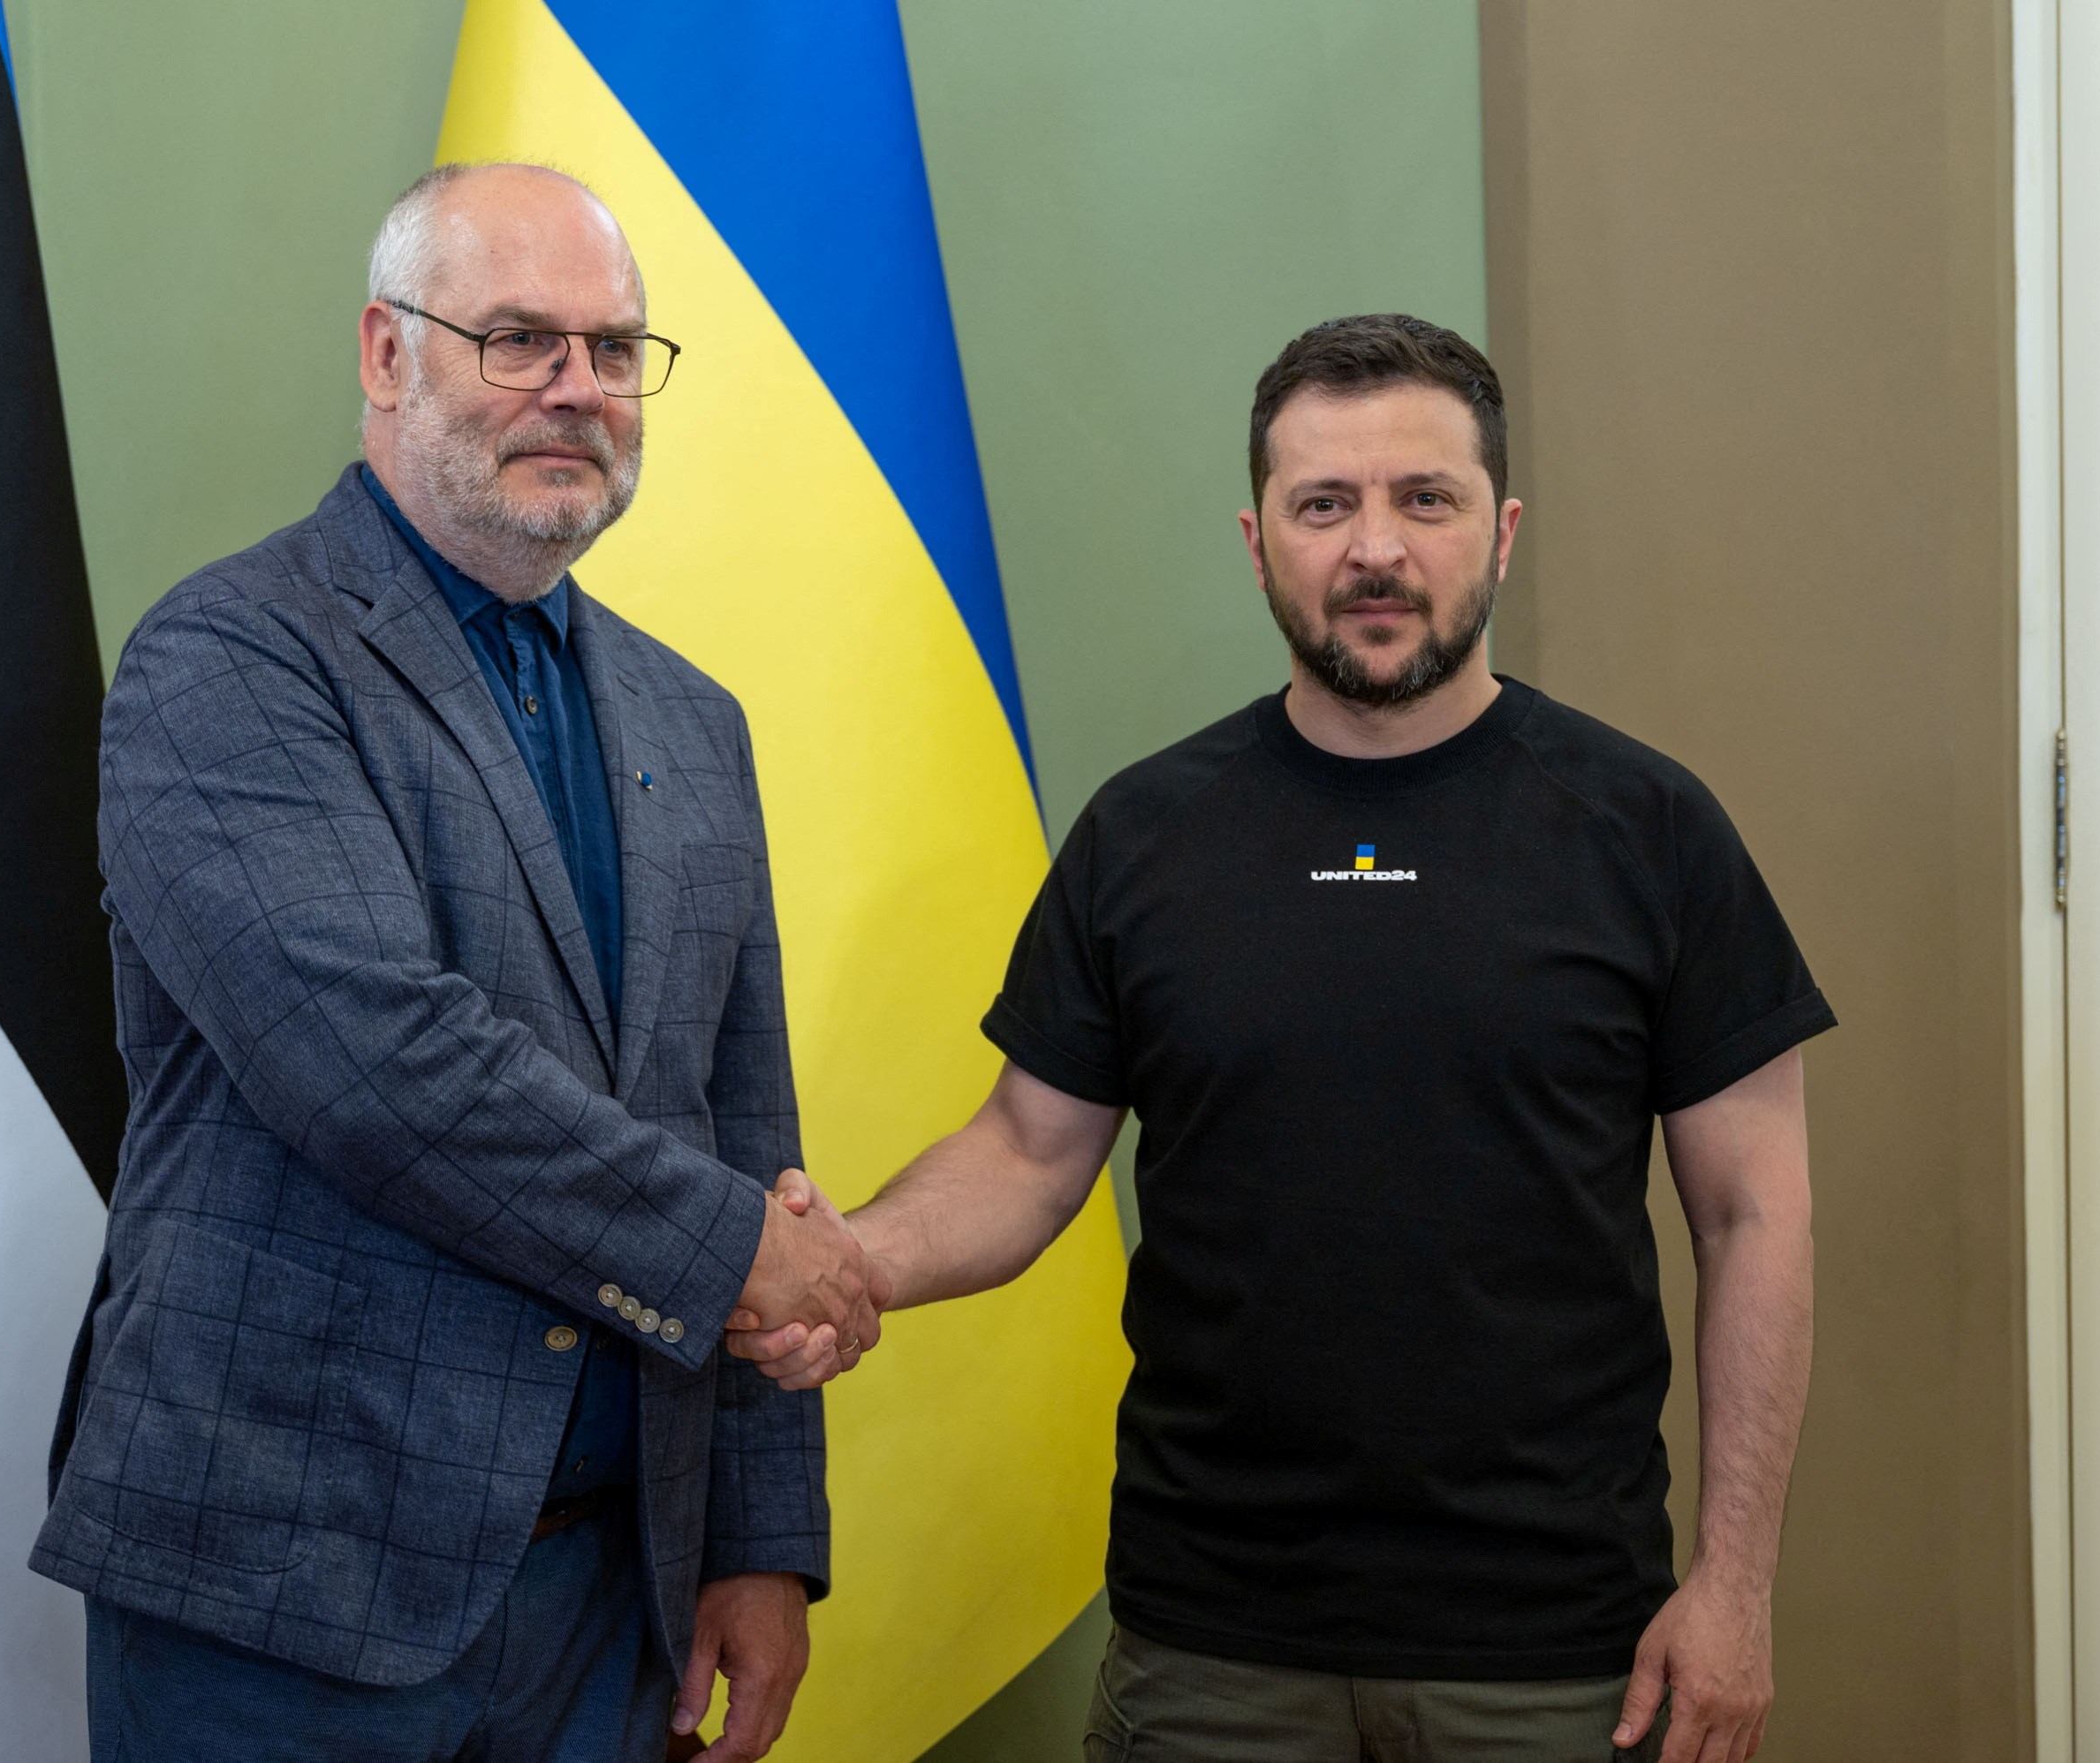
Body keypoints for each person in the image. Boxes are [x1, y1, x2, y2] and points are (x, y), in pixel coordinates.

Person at [735, 314, 1830, 1763]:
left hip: (1560, 1649)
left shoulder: (1651, 830)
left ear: (1501, 532)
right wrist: (856, 1259)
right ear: (1260, 543)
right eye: (1326, 505)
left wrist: (1737, 1587)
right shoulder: (1146, 834)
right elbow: (1024, 1153)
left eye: (1422, 500)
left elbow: (1757, 1212)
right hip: (1210, 1650)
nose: (1375, 549)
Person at [30, 162, 881, 1763]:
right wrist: (731, 1261)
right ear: (384, 354)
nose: (577, 389)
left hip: (610, 1605)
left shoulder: (697, 723)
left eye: (615, 351)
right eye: (517, 339)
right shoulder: (229, 657)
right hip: (283, 1598)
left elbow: (749, 1139)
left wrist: (762, 1539)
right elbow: (375, 1068)